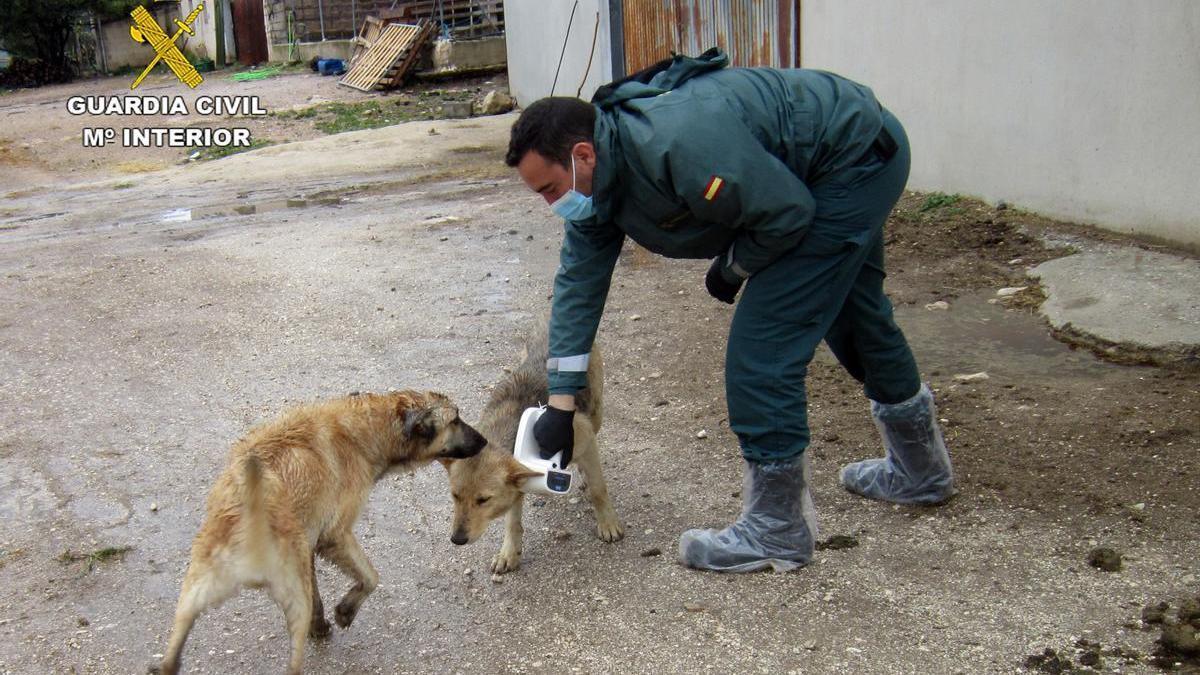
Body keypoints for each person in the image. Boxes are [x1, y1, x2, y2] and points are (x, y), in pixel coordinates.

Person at [507, 48, 955, 573]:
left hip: (850, 161)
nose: (550, 205)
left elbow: (787, 213)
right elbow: (577, 289)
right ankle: (919, 470)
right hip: (826, 161)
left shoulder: (675, 144)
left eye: (550, 189)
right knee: (854, 314)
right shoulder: (600, 182)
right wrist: (560, 404)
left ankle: (777, 529)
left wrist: (734, 267)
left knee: (764, 344)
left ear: (583, 155)